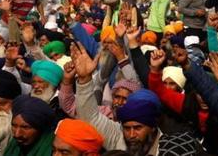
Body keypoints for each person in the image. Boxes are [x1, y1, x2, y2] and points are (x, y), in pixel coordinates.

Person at [71, 42, 207, 155]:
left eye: (137, 128)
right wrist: (84, 80)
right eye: (126, 128)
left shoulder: (175, 147)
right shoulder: (117, 137)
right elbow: (89, 117)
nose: (131, 135)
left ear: (153, 126)